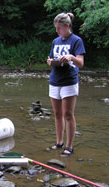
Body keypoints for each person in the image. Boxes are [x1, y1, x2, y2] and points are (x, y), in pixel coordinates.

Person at [46, 13, 85, 157]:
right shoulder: (55, 41)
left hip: (69, 81)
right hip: (54, 80)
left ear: (67, 26)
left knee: (68, 114)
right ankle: (59, 142)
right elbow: (51, 58)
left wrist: (71, 57)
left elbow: (80, 63)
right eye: (56, 28)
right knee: (57, 114)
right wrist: (50, 61)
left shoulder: (76, 41)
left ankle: (69, 146)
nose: (57, 31)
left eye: (59, 28)